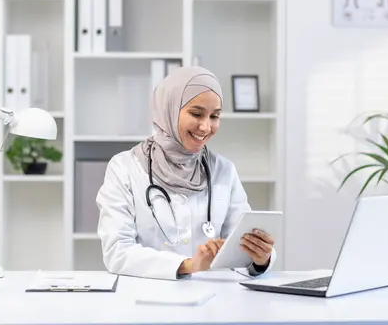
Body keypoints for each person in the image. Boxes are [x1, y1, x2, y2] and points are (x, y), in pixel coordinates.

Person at [96, 66, 277, 280]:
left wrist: (259, 259)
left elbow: (237, 248)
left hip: (213, 302)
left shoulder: (223, 170)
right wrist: (189, 265)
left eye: (215, 116)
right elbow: (117, 251)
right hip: (146, 299)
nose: (206, 127)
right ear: (169, 109)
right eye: (196, 114)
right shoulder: (124, 167)